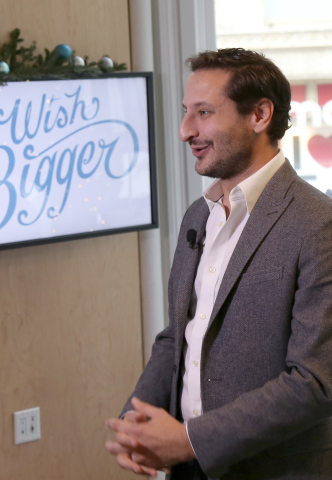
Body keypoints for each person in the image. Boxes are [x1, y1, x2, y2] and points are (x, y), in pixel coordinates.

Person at [105, 48, 332, 480]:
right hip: (188, 469)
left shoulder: (319, 224)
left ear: (260, 115)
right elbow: (177, 338)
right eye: (187, 113)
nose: (185, 130)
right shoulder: (198, 215)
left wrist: (190, 441)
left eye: (204, 112)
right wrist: (137, 425)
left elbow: (317, 381)